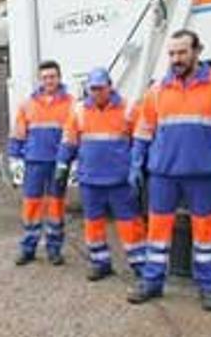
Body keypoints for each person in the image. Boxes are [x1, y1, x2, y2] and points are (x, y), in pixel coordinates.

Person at [128, 29, 211, 311]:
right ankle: (152, 283)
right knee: (157, 233)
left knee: (206, 234)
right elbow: (143, 132)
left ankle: (209, 288)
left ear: (197, 51)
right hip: (163, 176)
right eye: (171, 53)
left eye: (182, 52)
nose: (176, 59)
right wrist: (135, 163)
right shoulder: (157, 90)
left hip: (203, 176)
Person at [55, 68, 147, 282]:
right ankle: (100, 262)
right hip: (90, 180)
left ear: (110, 86)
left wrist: (138, 167)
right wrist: (61, 167)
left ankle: (140, 265)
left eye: (100, 88)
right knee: (93, 223)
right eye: (92, 88)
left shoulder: (128, 109)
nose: (96, 92)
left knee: (130, 224)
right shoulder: (79, 110)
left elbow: (142, 140)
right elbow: (68, 141)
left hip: (120, 180)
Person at [6, 60, 74, 266]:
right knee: (31, 207)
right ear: (39, 79)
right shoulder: (27, 104)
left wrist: (70, 160)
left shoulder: (71, 103)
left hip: (57, 163)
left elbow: (72, 135)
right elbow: (18, 134)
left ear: (59, 78)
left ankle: (54, 249)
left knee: (56, 207)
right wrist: (14, 159)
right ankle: (28, 248)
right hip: (34, 163)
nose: (49, 81)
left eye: (52, 77)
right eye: (45, 77)